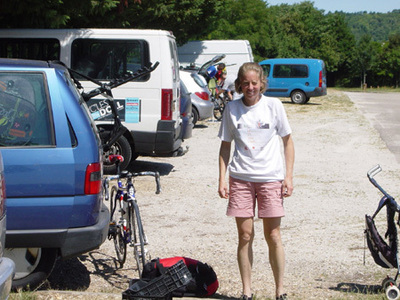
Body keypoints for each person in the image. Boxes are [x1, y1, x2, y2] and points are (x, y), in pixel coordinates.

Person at [217, 62, 294, 300]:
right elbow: (225, 146)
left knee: (273, 236)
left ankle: (280, 290)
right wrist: (222, 178)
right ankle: (247, 291)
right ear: (239, 84)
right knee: (245, 235)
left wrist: (288, 176)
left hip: (270, 177)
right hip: (241, 178)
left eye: (255, 83)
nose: (251, 87)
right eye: (246, 83)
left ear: (262, 83)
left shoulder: (274, 106)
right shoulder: (231, 108)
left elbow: (288, 141)